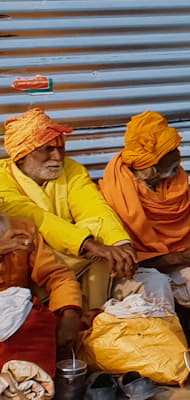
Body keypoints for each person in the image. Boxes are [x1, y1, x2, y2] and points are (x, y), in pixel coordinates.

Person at [0, 108, 136, 312]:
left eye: (61, 148)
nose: (57, 156)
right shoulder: (2, 178)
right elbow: (37, 217)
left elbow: (94, 208)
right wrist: (87, 244)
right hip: (35, 264)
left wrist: (121, 244)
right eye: (47, 149)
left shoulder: (72, 170)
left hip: (72, 260)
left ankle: (92, 320)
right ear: (21, 156)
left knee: (100, 246)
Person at [97, 111, 190, 313]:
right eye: (170, 151)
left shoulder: (176, 184)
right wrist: (181, 258)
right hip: (133, 275)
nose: (178, 155)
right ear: (151, 163)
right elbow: (125, 264)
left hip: (180, 263)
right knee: (156, 285)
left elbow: (189, 247)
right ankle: (167, 340)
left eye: (176, 148)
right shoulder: (115, 194)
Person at [0, 212, 83, 400]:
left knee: (39, 319)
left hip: (19, 324)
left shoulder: (21, 228)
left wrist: (69, 315)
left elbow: (59, 277)